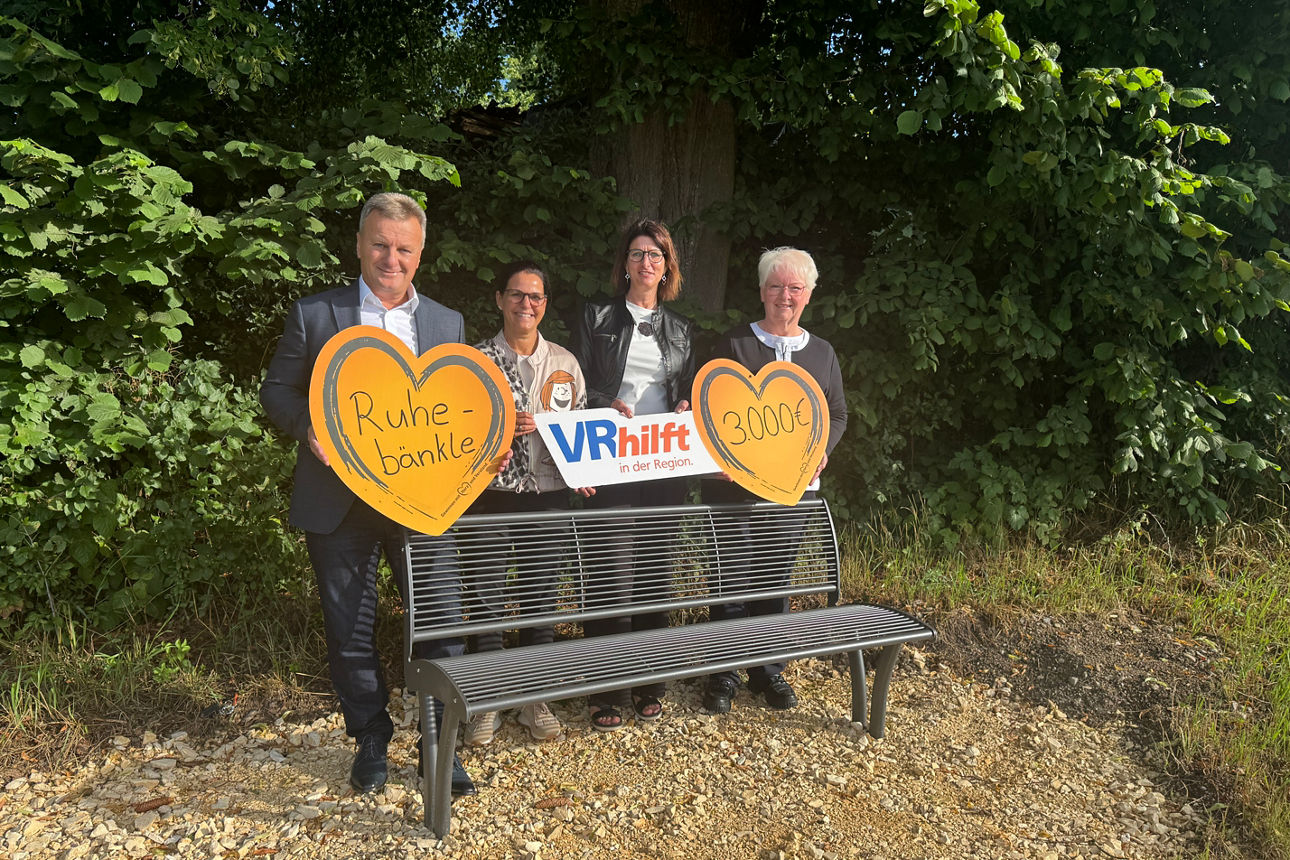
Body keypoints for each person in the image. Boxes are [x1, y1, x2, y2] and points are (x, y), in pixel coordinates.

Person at [259, 192, 478, 798]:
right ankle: (371, 739)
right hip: (339, 503)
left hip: (424, 498)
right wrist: (308, 428)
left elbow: (458, 409)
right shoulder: (316, 313)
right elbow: (276, 392)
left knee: (440, 622)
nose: (391, 257)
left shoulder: (445, 323)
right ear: (359, 245)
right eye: (380, 244)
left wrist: (484, 449)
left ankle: (441, 743)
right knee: (349, 627)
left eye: (404, 248)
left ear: (421, 252)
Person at [701, 246, 849, 715]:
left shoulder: (822, 353)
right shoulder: (734, 345)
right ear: (761, 290)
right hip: (734, 490)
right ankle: (722, 670)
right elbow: (713, 408)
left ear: (808, 294)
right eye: (776, 286)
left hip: (794, 492)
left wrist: (822, 450)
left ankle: (767, 670)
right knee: (731, 579)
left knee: (774, 581)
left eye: (795, 288)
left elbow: (838, 414)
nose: (785, 295)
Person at [461, 262, 593, 747]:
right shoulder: (475, 361)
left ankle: (535, 694)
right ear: (499, 299)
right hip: (490, 496)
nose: (526, 305)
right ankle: (488, 700)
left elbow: (581, 427)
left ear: (544, 304)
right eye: (517, 295)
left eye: (536, 297)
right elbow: (456, 431)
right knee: (487, 597)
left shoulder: (565, 363)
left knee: (540, 596)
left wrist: (584, 470)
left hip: (549, 495)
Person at [572, 218, 695, 732]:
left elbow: (688, 390)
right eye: (639, 253)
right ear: (624, 263)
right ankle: (606, 687)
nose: (647, 263)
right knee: (608, 573)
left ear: (667, 267)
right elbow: (573, 383)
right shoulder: (596, 315)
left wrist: (689, 401)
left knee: (653, 573)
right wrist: (606, 403)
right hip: (608, 457)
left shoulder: (682, 330)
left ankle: (649, 682)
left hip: (662, 463)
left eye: (657, 255)